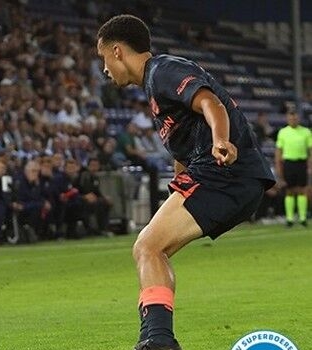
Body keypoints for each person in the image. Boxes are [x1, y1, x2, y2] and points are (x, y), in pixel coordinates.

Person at [96, 15, 275, 350]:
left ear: (117, 51)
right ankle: (154, 337)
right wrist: (181, 179)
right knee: (153, 251)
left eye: (103, 58)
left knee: (147, 247)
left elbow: (210, 102)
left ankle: (159, 340)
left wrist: (222, 140)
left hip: (226, 172)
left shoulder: (163, 70)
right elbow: (185, 146)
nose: (104, 69)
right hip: (229, 177)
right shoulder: (154, 90)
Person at [274, 111, 312, 227]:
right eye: (291, 118)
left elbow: (310, 150)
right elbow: (279, 151)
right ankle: (289, 218)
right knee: (289, 190)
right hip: (288, 163)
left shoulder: (306, 132)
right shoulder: (283, 132)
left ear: (298, 119)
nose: (293, 120)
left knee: (302, 190)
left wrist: (310, 165)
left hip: (301, 162)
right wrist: (278, 165)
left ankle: (302, 217)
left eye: (295, 118)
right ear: (287, 119)